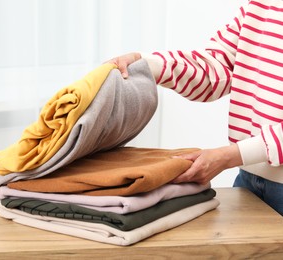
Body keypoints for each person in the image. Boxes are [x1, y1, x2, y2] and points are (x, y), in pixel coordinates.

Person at [106, 0, 283, 215]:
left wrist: (229, 156)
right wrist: (145, 64)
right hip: (249, 180)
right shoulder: (262, 4)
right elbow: (214, 70)